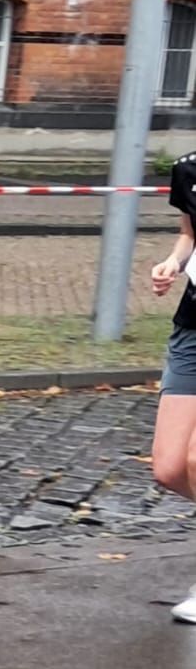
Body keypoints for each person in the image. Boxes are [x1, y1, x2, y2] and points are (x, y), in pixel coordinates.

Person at [150, 148, 196, 621]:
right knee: (168, 468)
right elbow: (190, 234)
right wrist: (172, 264)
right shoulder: (189, 168)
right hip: (192, 329)